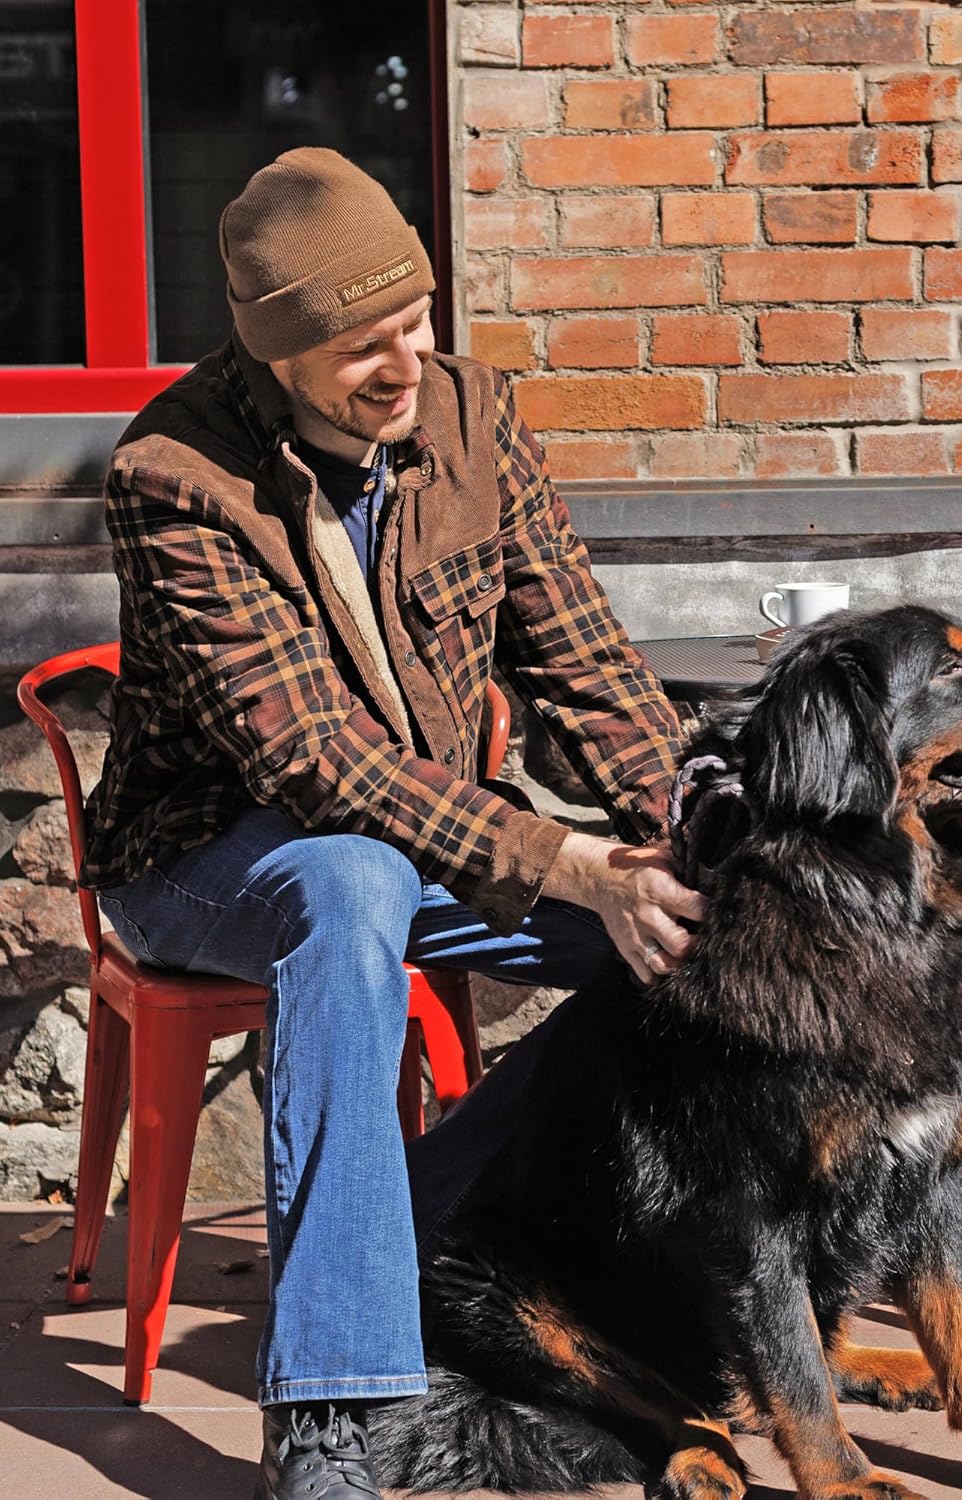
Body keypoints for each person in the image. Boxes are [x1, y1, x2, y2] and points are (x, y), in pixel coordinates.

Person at [82, 147, 703, 1499]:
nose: (403, 363)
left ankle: (407, 1233)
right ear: (277, 353)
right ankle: (332, 1410)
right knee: (352, 882)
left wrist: (692, 838)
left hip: (424, 838)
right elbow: (314, 761)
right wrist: (565, 859)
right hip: (204, 862)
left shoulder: (474, 420)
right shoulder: (173, 476)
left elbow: (583, 664)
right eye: (363, 346)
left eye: (415, 322)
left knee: (681, 949)